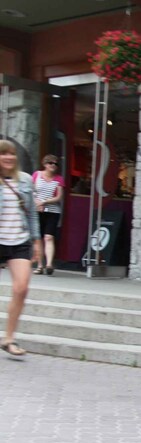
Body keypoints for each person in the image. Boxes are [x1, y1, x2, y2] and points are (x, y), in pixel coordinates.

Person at [0, 139, 43, 356]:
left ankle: (9, 338)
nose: (8, 157)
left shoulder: (25, 180)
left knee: (22, 288)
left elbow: (32, 213)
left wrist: (36, 241)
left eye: (12, 154)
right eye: (3, 154)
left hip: (19, 240)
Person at [32, 154, 64, 275]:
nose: (53, 166)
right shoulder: (36, 175)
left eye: (56, 164)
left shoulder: (59, 179)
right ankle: (40, 265)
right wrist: (36, 203)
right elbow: (31, 191)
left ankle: (49, 264)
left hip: (53, 211)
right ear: (45, 164)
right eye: (51, 163)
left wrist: (44, 202)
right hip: (37, 210)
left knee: (49, 237)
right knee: (38, 238)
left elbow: (59, 197)